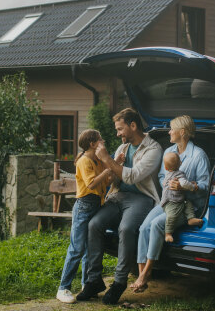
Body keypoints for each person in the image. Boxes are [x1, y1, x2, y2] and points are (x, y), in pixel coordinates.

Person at [76, 108, 162, 305]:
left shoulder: (153, 149)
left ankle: (119, 281)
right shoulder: (122, 148)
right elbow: (114, 177)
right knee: (94, 224)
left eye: (120, 129)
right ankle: (94, 279)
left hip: (142, 198)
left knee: (126, 229)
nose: (117, 134)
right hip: (118, 196)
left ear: (133, 126)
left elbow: (132, 176)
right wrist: (112, 165)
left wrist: (107, 160)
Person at [130, 115, 210, 293]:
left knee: (158, 224)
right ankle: (141, 274)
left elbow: (205, 185)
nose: (169, 132)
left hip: (187, 205)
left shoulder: (198, 155)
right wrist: (167, 183)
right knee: (144, 227)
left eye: (172, 129)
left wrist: (186, 186)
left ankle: (145, 274)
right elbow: (161, 175)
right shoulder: (168, 152)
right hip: (167, 201)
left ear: (182, 132)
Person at [56, 129, 114, 304]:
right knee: (77, 249)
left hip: (96, 205)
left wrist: (112, 167)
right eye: (100, 139)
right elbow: (90, 184)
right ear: (92, 143)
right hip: (83, 207)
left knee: (89, 250)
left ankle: (86, 285)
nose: (103, 141)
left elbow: (105, 182)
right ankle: (63, 288)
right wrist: (107, 170)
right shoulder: (84, 161)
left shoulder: (96, 160)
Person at [159, 152, 203, 243]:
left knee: (188, 203)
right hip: (171, 202)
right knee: (172, 216)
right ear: (180, 163)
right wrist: (193, 187)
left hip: (179, 199)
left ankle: (190, 218)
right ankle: (168, 233)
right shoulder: (180, 174)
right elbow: (184, 183)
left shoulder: (168, 174)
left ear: (166, 168)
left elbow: (163, 184)